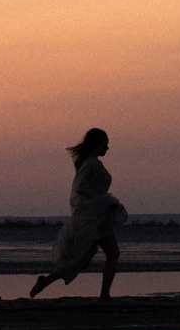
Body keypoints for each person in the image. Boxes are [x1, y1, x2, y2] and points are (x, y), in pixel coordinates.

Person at [28, 127, 127, 301]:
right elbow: (81, 189)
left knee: (83, 259)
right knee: (110, 254)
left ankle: (46, 281)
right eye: (105, 144)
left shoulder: (92, 163)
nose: (107, 148)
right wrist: (102, 202)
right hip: (93, 219)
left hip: (98, 218)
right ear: (97, 144)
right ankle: (104, 295)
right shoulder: (91, 164)